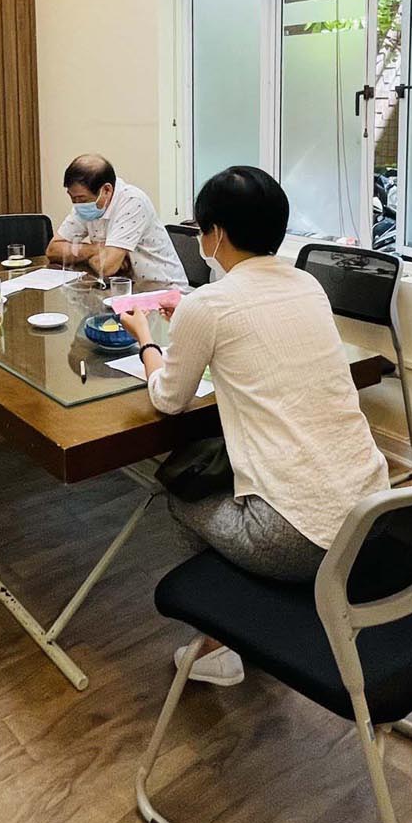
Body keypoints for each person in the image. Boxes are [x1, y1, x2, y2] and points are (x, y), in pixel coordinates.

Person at [119, 165, 389, 687]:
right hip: (371, 514)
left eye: (201, 227)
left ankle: (224, 639)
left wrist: (146, 340)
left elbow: (169, 399)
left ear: (217, 234)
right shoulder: (307, 285)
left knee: (180, 491)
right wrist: (190, 319)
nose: (200, 237)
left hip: (300, 543)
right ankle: (241, 624)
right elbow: (256, 333)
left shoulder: (210, 305)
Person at [44, 154, 188, 287]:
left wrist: (80, 252)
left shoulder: (132, 202)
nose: (77, 204)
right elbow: (53, 250)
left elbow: (106, 267)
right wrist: (97, 249)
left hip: (163, 293)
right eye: (72, 198)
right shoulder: (83, 206)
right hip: (122, 290)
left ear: (106, 190)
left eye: (81, 199)